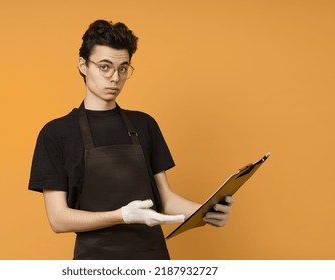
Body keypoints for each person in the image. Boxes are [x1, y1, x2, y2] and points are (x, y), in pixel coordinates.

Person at [28, 19, 233, 260]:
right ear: (83, 65)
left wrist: (206, 212)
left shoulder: (144, 124)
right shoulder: (56, 133)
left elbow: (165, 200)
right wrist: (122, 215)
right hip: (95, 264)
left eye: (123, 68)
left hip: (153, 259)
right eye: (105, 67)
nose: (115, 78)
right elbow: (58, 219)